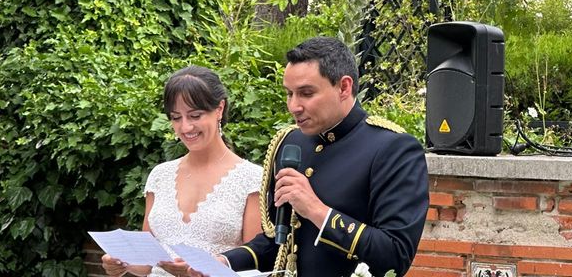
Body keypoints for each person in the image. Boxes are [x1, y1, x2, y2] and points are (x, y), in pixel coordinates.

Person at [220, 36, 429, 277]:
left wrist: (316, 210)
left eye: (306, 93)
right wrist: (222, 262)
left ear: (344, 87)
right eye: (289, 94)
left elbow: (395, 255)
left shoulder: (393, 149)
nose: (294, 106)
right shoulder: (291, 142)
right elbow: (277, 242)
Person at [101, 65, 263, 277]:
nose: (185, 128)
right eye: (176, 118)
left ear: (219, 109)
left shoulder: (251, 178)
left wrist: (198, 271)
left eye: (195, 116)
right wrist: (122, 263)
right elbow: (147, 263)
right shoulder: (160, 175)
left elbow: (253, 264)